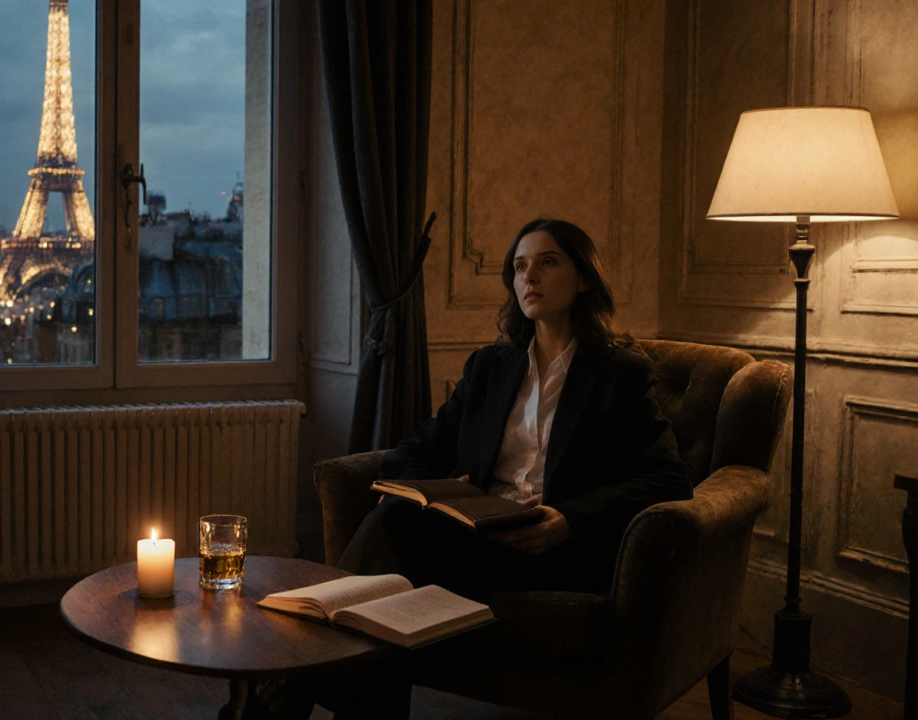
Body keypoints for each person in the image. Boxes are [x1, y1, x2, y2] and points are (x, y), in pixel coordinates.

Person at [264, 218, 692, 719]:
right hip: (478, 537)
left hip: (557, 550)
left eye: (547, 262)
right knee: (397, 526)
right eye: (519, 266)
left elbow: (669, 480)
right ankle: (302, 685)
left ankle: (286, 687)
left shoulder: (622, 373)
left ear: (583, 279)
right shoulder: (491, 368)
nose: (529, 277)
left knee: (392, 558)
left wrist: (569, 518)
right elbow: (421, 445)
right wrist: (409, 485)